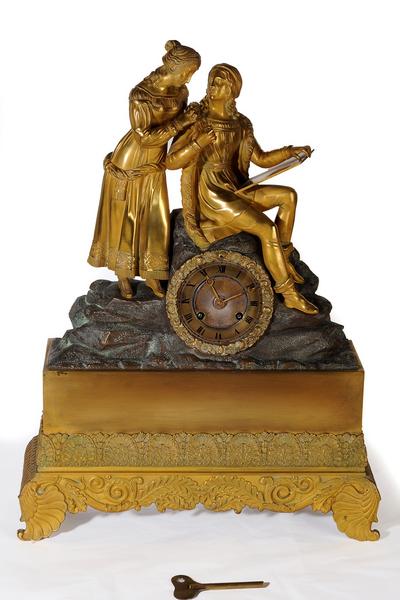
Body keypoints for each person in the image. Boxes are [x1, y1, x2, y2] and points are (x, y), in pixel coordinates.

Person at [166, 63, 318, 315]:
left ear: (233, 90)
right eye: (212, 81)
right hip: (212, 193)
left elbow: (260, 158)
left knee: (288, 196)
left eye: (220, 83)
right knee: (266, 229)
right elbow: (171, 162)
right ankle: (289, 294)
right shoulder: (198, 120)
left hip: (236, 186)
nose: (213, 86)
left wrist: (291, 153)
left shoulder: (240, 123)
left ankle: (283, 257)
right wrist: (199, 143)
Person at [88, 41, 201, 299]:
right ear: (174, 68)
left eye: (192, 74)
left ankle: (152, 275)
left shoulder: (181, 92)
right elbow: (145, 138)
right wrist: (183, 121)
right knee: (126, 218)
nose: (189, 79)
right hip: (132, 160)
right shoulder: (140, 95)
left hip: (156, 164)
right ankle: (123, 275)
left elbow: (178, 133)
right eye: (187, 72)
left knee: (155, 219)